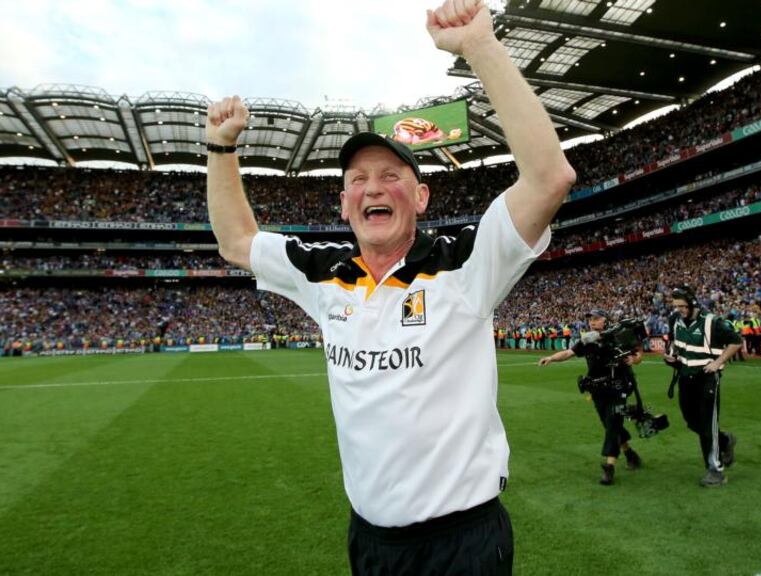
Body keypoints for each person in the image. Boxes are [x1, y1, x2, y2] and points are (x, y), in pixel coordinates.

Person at [204, 1, 577, 573]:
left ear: (421, 197)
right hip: (372, 544)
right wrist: (222, 149)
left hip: (464, 543)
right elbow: (236, 241)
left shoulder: (466, 261)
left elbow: (550, 177)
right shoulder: (321, 271)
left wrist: (480, 45)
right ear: (345, 202)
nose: (372, 187)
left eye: (391, 176)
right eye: (358, 180)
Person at [538, 309, 643, 485]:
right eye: (590, 320)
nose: (592, 323)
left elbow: (638, 351)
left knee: (613, 422)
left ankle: (609, 467)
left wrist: (635, 360)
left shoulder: (618, 336)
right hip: (597, 391)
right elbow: (568, 353)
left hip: (618, 388)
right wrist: (551, 357)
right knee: (611, 425)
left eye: (596, 319)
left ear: (605, 320)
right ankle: (630, 454)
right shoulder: (587, 340)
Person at [663, 286, 742, 487]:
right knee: (691, 421)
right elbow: (675, 343)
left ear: (692, 303)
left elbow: (736, 341)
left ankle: (715, 470)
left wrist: (717, 362)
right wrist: (671, 356)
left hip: (706, 378)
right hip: (685, 376)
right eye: (676, 306)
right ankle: (725, 441)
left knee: (708, 425)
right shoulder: (674, 320)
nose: (678, 309)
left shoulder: (712, 322)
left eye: (682, 305)